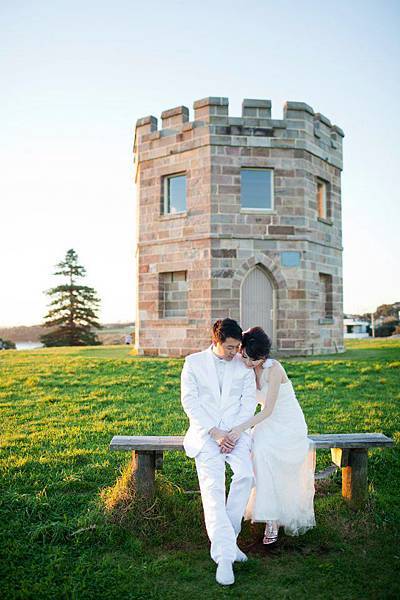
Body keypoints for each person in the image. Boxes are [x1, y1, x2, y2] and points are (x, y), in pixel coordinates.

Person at [181, 318, 257, 586]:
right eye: (229, 348)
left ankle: (229, 538)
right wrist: (215, 432)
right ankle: (225, 557)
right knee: (213, 490)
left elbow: (248, 404)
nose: (235, 353)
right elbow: (190, 402)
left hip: (236, 435)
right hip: (207, 435)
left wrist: (233, 433)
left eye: (238, 347)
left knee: (246, 476)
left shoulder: (244, 366)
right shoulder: (193, 363)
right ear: (216, 341)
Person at [226, 326, 315, 545]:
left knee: (265, 451)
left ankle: (272, 520)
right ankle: (261, 509)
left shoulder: (274, 369)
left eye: (252, 360)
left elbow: (267, 410)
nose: (247, 363)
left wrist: (239, 428)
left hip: (287, 423)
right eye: (244, 355)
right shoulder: (244, 360)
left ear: (263, 357)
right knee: (256, 452)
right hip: (266, 422)